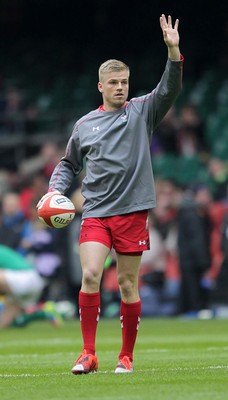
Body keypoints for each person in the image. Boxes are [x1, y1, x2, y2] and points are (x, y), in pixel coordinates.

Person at [37, 14, 183, 374]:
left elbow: (169, 90)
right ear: (100, 86)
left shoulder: (141, 112)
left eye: (125, 82)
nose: (121, 87)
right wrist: (55, 191)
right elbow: (68, 164)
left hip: (133, 211)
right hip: (97, 212)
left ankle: (126, 356)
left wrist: (173, 52)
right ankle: (88, 353)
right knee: (90, 276)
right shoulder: (84, 125)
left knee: (128, 283)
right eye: (114, 83)